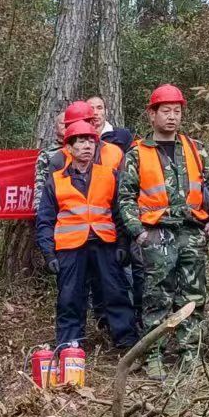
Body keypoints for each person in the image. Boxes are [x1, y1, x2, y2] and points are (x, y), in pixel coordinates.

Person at [116, 84, 209, 378]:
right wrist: (138, 232)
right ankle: (154, 355)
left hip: (192, 230)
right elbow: (125, 197)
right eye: (166, 111)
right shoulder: (137, 153)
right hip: (156, 232)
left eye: (177, 111)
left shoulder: (195, 148)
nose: (172, 117)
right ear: (152, 114)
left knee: (193, 295)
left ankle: (191, 354)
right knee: (156, 295)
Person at [36, 115, 139, 352]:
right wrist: (48, 254)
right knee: (70, 297)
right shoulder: (55, 181)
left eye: (90, 142)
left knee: (116, 292)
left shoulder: (109, 175)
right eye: (80, 142)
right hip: (70, 248)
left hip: (105, 245)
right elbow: (45, 220)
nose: (86, 147)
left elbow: (120, 213)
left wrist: (123, 244)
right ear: (69, 147)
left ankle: (125, 341)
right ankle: (69, 344)